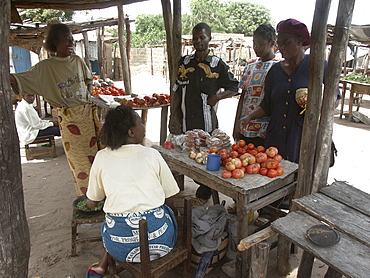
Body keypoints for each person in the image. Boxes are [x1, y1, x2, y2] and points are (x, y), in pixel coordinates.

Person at [85, 105, 180, 277]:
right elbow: (170, 197)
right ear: (131, 132)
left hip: (118, 247)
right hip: (161, 243)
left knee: (107, 223)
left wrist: (88, 204)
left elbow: (93, 202)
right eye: (140, 123)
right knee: (166, 211)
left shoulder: (101, 157)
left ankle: (102, 264)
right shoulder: (152, 155)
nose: (143, 127)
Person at [10, 23, 101, 196]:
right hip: (70, 121)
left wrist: (86, 100)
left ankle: (102, 195)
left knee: (98, 158)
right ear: (55, 43)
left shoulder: (78, 61)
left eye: (72, 40)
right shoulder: (45, 68)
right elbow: (18, 79)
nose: (71, 43)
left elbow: (88, 81)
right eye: (66, 39)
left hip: (88, 117)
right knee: (80, 162)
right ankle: (88, 200)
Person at [238, 18, 341, 164]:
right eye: (279, 43)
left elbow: (334, 98)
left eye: (286, 42)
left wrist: (316, 104)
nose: (281, 47)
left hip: (303, 137)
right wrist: (248, 117)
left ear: (300, 41)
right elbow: (267, 105)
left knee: (303, 177)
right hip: (276, 138)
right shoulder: (274, 71)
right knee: (275, 175)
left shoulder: (318, 66)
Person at [169, 22, 239, 201]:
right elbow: (176, 91)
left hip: (206, 123)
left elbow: (234, 87)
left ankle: (205, 191)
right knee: (186, 156)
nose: (198, 41)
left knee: (206, 159)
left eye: (202, 37)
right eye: (195, 38)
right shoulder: (185, 62)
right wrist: (173, 115)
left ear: (209, 39)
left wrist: (217, 97)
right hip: (185, 121)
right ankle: (189, 188)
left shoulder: (217, 64)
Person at [233, 24, 280, 146]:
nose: (256, 47)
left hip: (265, 130)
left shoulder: (278, 67)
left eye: (260, 44)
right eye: (254, 43)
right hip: (245, 127)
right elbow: (243, 98)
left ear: (271, 43)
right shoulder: (250, 66)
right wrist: (236, 123)